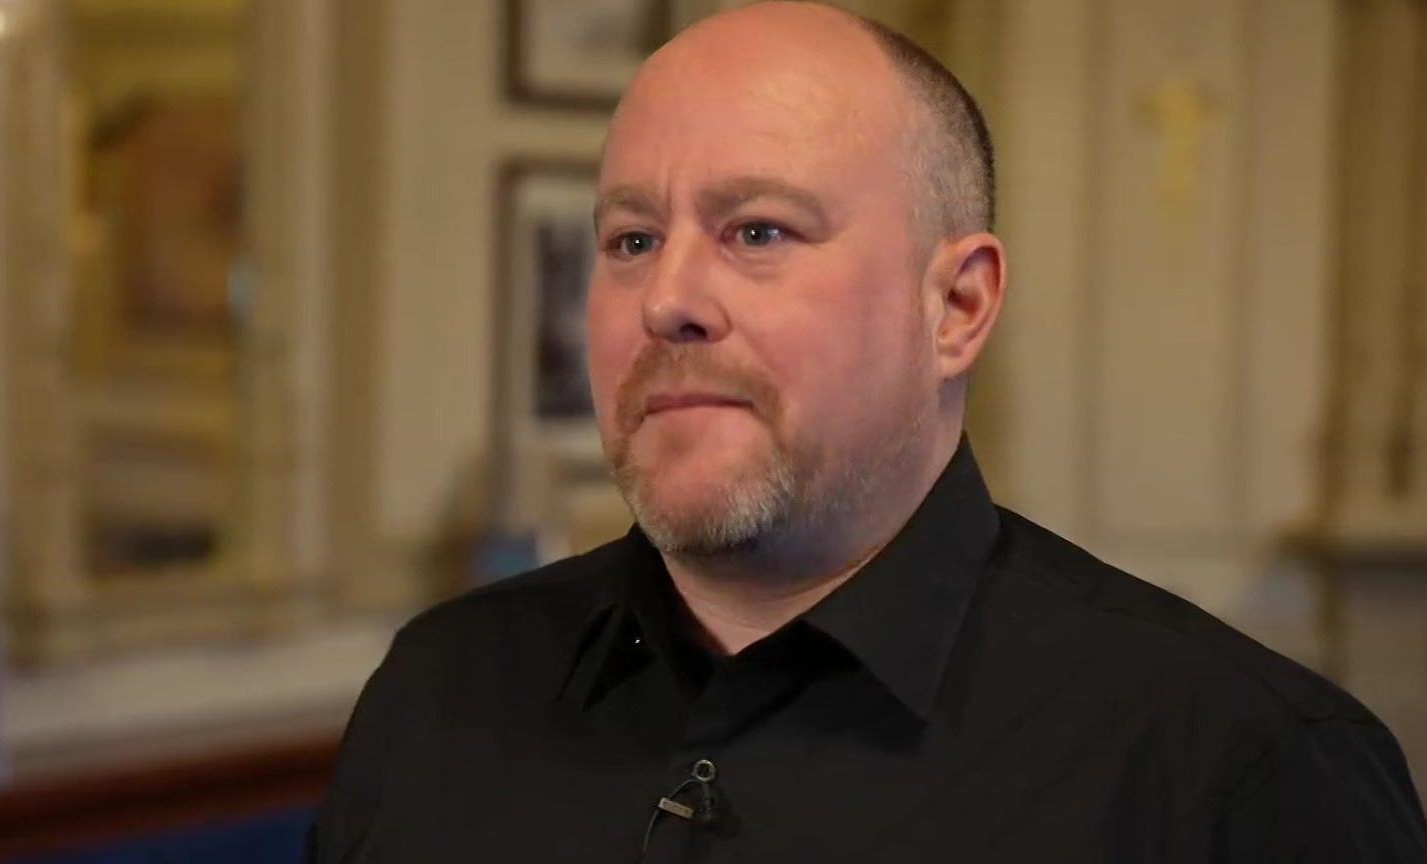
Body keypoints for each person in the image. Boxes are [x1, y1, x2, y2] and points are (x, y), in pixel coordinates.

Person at [306, 3, 1427, 861]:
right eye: (632, 241)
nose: (668, 300)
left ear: (957, 308)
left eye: (757, 229)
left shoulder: (1235, 771)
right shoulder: (437, 692)